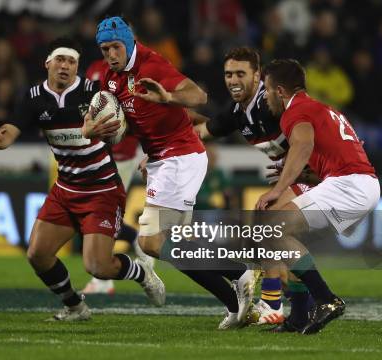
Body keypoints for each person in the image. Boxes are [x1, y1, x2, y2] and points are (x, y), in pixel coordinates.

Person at [83, 16, 257, 329]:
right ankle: (236, 299)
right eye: (105, 48)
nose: (110, 54)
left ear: (130, 40)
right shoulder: (111, 78)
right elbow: (133, 118)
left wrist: (169, 97)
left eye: (115, 46)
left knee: (152, 243)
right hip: (163, 159)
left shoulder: (152, 65)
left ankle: (240, 274)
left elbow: (198, 96)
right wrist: (143, 150)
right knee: (172, 244)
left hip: (181, 157)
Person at [0, 38, 164, 321]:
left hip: (102, 189)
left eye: (71, 62)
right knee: (38, 254)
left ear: (77, 67)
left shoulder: (93, 93)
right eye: (60, 60)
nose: (65, 66)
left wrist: (118, 132)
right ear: (48, 63)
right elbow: (14, 125)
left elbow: (127, 122)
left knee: (98, 266)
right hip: (66, 189)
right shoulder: (34, 96)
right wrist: (3, 137)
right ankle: (75, 307)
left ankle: (141, 272)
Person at [194, 47, 320, 325]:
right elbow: (200, 133)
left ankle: (273, 303)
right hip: (297, 178)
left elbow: (310, 123)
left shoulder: (272, 101)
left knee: (267, 229)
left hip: (320, 175)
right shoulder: (239, 112)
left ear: (257, 76)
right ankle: (301, 307)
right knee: (262, 242)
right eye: (228, 74)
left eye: (241, 73)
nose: (233, 80)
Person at [257, 59, 379, 334]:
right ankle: (300, 315)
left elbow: (303, 144)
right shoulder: (321, 109)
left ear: (280, 90)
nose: (264, 97)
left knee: (273, 225)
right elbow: (332, 158)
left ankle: (325, 299)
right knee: (286, 233)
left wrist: (279, 188)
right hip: (357, 183)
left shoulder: (294, 111)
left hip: (349, 185)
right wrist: (302, 176)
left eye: (266, 89)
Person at [81, 58, 153, 295]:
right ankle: (134, 239)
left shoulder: (134, 73)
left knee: (101, 210)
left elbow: (143, 112)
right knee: (90, 211)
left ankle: (103, 281)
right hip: (96, 151)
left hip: (121, 152)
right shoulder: (94, 69)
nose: (113, 50)